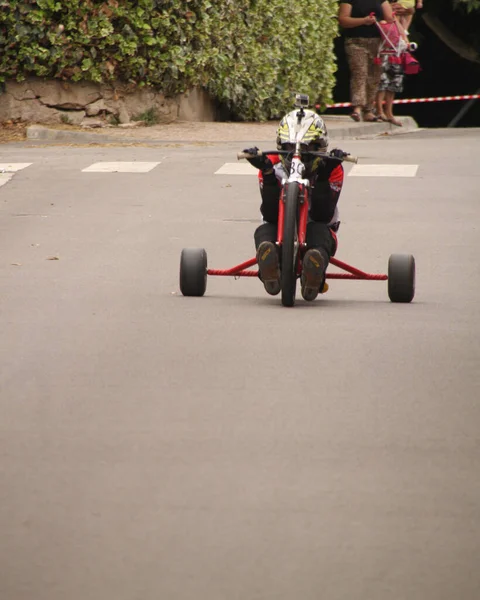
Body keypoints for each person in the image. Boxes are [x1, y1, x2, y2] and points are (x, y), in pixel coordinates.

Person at [243, 110, 348, 302]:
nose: (297, 155)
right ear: (281, 145)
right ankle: (270, 267)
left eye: (307, 148)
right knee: (265, 232)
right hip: (277, 227)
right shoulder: (272, 164)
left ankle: (313, 270)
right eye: (289, 147)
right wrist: (267, 174)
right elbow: (270, 213)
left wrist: (323, 177)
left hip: (318, 226)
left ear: (320, 146)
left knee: (320, 235)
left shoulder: (332, 169)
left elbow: (323, 215)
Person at [338, 0, 394, 122]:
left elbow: (390, 19)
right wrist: (364, 21)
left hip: (378, 43)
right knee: (360, 73)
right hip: (356, 42)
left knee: (374, 76)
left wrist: (386, 21)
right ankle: (358, 108)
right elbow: (343, 20)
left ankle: (368, 110)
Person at [375, 17, 409, 126]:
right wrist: (392, 19)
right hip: (385, 55)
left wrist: (397, 21)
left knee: (393, 85)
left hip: (397, 56)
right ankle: (379, 111)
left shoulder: (398, 22)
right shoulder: (383, 22)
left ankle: (389, 113)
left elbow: (404, 36)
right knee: (382, 84)